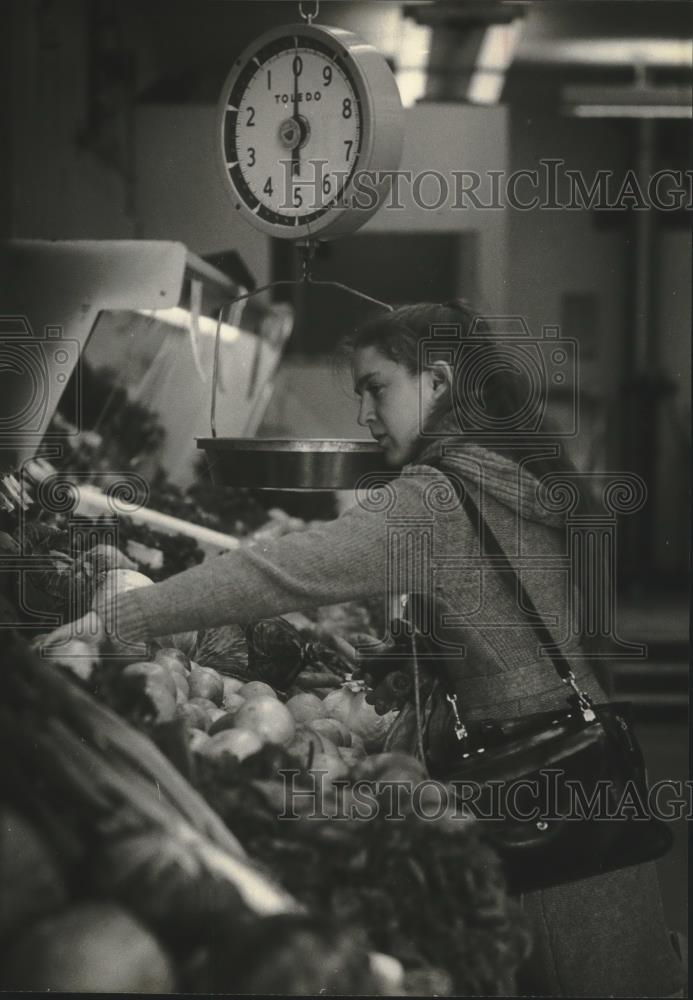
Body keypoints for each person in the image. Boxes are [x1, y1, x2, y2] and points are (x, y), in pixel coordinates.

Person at [44, 301, 683, 998]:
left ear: (436, 383)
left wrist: (123, 619)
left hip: (543, 813)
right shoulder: (507, 469)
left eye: (376, 387)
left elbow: (277, 572)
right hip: (580, 777)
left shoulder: (434, 499)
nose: (365, 413)